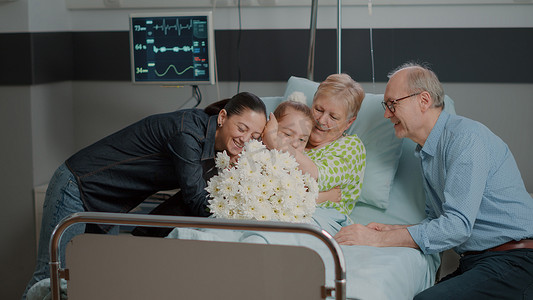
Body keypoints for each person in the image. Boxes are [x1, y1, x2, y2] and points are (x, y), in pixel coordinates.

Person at [23, 92, 267, 299]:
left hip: (111, 207)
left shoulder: (218, 148)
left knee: (91, 283)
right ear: (223, 117)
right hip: (77, 186)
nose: (245, 140)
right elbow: (195, 200)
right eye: (241, 128)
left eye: (254, 137)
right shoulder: (187, 134)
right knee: (51, 278)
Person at [334, 62, 533, 299]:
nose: (387, 114)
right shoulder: (428, 152)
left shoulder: (465, 140)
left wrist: (379, 239)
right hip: (482, 261)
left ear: (424, 100)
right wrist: (394, 228)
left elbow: (457, 227)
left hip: (517, 261)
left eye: (392, 104)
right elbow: (438, 220)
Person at [264, 73, 367, 216]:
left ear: (349, 122)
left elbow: (314, 176)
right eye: (318, 109)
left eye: (333, 117)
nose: (322, 120)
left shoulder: (351, 147)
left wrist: (274, 141)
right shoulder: (296, 127)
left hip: (320, 218)